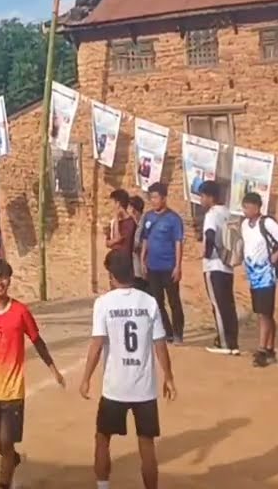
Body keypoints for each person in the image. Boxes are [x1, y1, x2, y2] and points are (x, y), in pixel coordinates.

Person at [79, 250, 177, 489]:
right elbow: (160, 344)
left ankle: (103, 487)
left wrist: (86, 378)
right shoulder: (149, 302)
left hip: (115, 388)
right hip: (144, 388)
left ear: (111, 276)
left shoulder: (103, 304)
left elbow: (97, 345)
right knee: (146, 444)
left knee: (103, 439)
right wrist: (169, 377)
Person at [0, 259, 65, 489]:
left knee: (6, 441)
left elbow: (37, 341)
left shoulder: (21, 312)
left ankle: (5, 481)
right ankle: (13, 459)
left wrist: (53, 368)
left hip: (13, 392)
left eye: (3, 277)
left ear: (9, 280)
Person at [240, 191, 278, 367]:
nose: (245, 210)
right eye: (244, 207)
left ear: (257, 207)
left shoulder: (266, 222)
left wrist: (276, 255)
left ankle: (262, 349)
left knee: (264, 313)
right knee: (262, 313)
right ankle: (269, 348)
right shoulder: (245, 225)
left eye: (248, 207)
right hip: (254, 275)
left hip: (267, 275)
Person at [139, 183, 184, 344]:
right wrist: (143, 259)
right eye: (151, 198)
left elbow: (178, 242)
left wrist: (178, 266)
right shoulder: (148, 217)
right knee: (157, 302)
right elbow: (145, 238)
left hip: (169, 266)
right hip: (153, 266)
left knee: (174, 301)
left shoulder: (174, 219)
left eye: (156, 197)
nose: (153, 201)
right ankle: (167, 332)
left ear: (164, 198)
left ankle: (178, 333)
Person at [197, 180, 239, 355]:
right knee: (229, 304)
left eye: (202, 196)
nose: (201, 200)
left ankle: (224, 343)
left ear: (210, 197)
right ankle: (233, 341)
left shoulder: (211, 214)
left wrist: (207, 255)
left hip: (214, 265)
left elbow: (210, 234)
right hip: (228, 265)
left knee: (218, 305)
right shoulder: (229, 213)